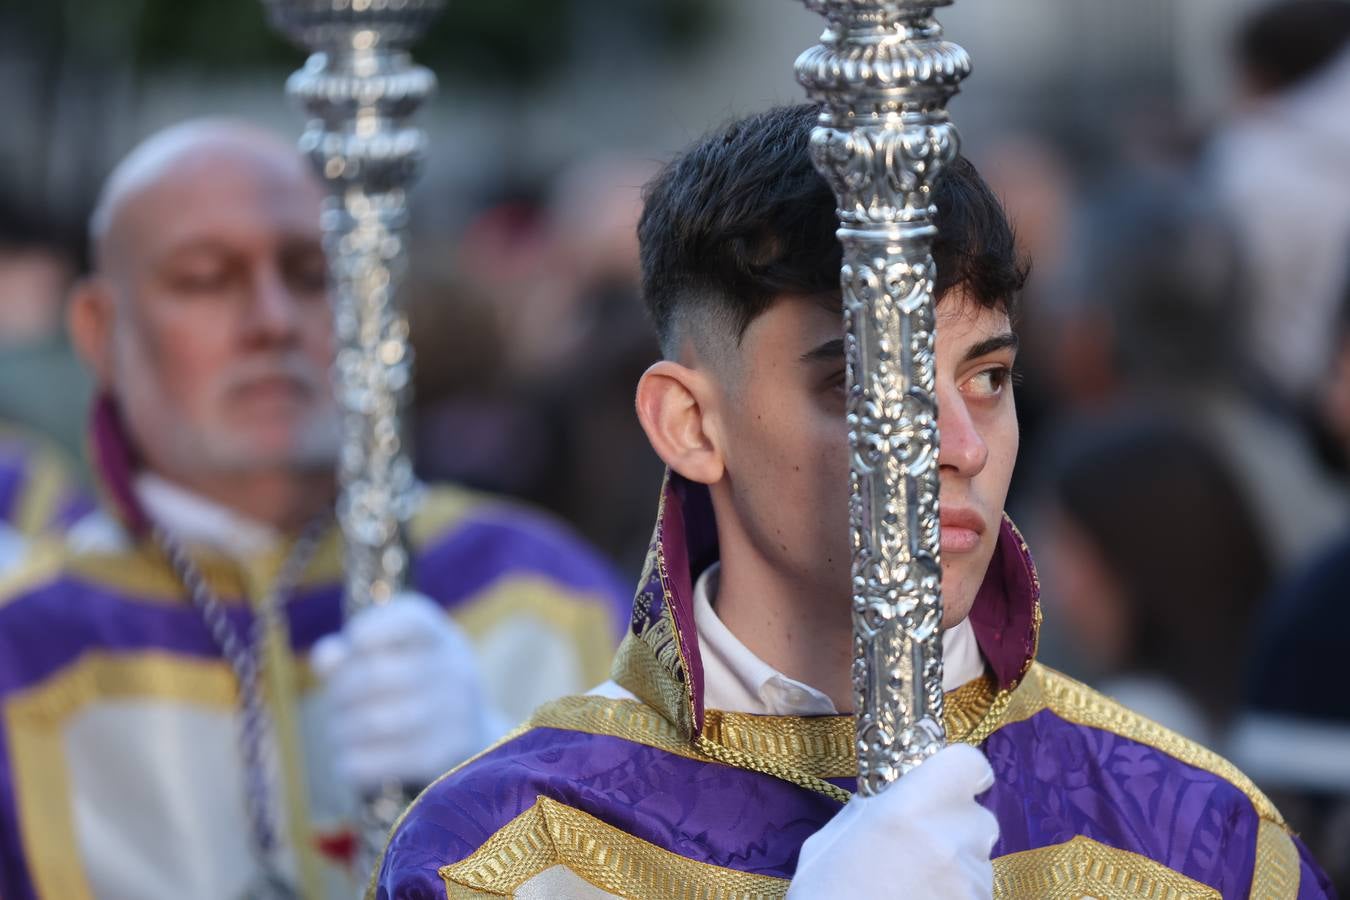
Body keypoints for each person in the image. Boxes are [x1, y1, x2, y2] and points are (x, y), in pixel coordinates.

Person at [374, 105, 1335, 898]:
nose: (958, 445)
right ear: (690, 425)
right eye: (868, 387)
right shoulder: (505, 855)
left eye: (988, 377)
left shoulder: (1196, 836)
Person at [0, 119, 630, 899]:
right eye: (205, 278)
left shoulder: (544, 591)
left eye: (309, 275)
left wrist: (502, 790)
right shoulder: (21, 646)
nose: (270, 319)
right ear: (99, 330)